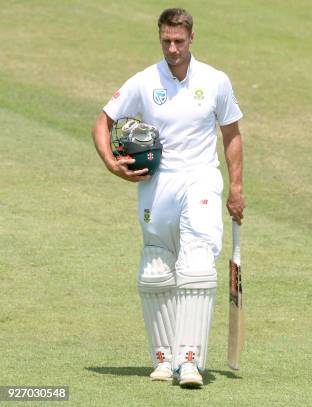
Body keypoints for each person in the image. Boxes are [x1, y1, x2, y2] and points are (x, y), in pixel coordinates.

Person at [91, 8, 244, 388]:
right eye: (166, 41)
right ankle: (164, 359)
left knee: (195, 264)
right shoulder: (145, 81)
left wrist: (236, 189)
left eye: (178, 41)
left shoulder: (215, 80)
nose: (172, 48)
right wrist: (112, 165)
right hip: (156, 186)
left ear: (192, 38)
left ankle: (190, 361)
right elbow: (102, 122)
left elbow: (232, 135)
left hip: (201, 181)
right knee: (156, 268)